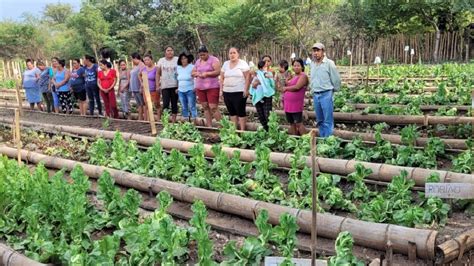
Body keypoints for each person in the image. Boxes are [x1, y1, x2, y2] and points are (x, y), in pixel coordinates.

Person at [310, 42, 341, 137]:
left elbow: (336, 79)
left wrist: (333, 91)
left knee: (327, 120)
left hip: (326, 93)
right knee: (319, 120)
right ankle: (323, 137)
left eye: (318, 50)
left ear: (323, 51)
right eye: (314, 51)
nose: (315, 53)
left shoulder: (329, 63)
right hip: (316, 94)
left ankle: (327, 140)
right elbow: (312, 78)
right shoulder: (312, 63)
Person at [220, 47, 250, 130]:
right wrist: (221, 91)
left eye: (234, 53)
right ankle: (234, 131)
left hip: (239, 91)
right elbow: (221, 78)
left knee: (240, 111)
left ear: (238, 54)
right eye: (230, 53)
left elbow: (247, 77)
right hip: (227, 91)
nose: (232, 55)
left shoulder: (242, 63)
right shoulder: (225, 64)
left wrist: (246, 89)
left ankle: (242, 131)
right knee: (232, 112)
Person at [192, 45, 222, 127]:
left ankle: (222, 127)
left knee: (213, 107)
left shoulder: (214, 60)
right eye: (200, 55)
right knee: (205, 107)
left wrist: (207, 74)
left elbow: (218, 72)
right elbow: (193, 73)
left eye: (203, 55)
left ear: (207, 53)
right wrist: (197, 74)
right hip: (200, 88)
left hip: (212, 87)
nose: (202, 56)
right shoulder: (198, 62)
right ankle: (209, 127)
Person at [282, 58, 308, 135]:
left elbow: (297, 87)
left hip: (296, 104)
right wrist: (287, 81)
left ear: (302, 67)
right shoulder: (293, 76)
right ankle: (295, 139)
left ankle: (306, 140)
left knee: (298, 123)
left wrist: (285, 88)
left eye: (298, 65)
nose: (296, 67)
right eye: (294, 65)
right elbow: (288, 83)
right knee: (291, 123)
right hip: (288, 104)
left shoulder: (303, 76)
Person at [249, 59, 275, 131]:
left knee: (267, 115)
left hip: (266, 96)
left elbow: (271, 83)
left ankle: (271, 130)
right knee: (260, 115)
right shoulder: (256, 74)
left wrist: (260, 82)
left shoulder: (268, 73)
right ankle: (265, 129)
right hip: (258, 96)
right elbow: (253, 85)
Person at [157, 46, 179, 122]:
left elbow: (181, 72)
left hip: (175, 86)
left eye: (171, 50)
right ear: (165, 52)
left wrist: (179, 86)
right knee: (165, 104)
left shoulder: (177, 59)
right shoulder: (161, 61)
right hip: (165, 86)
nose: (170, 52)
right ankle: (165, 121)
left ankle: (173, 121)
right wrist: (157, 85)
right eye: (168, 50)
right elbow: (158, 74)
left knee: (174, 104)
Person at [176, 52, 197, 122]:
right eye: (182, 59)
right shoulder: (178, 68)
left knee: (192, 106)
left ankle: (194, 121)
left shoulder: (192, 67)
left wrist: (195, 87)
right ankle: (186, 122)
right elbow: (177, 78)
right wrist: (177, 88)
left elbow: (195, 77)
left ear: (188, 59)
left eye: (185, 58)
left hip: (190, 90)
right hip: (181, 90)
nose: (183, 60)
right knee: (184, 106)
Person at [140, 54, 161, 121]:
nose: (146, 61)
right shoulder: (144, 69)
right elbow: (139, 75)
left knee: (156, 104)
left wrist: (158, 86)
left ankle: (158, 119)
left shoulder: (156, 68)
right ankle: (150, 120)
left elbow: (158, 78)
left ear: (151, 60)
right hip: (146, 90)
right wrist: (141, 83)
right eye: (145, 60)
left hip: (154, 89)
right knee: (148, 105)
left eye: (148, 59)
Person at [130, 52, 147, 120]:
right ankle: (140, 118)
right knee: (139, 104)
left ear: (136, 58)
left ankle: (145, 118)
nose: (132, 61)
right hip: (134, 88)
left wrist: (141, 87)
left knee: (143, 104)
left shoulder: (142, 65)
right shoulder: (135, 66)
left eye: (132, 59)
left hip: (139, 88)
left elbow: (143, 77)